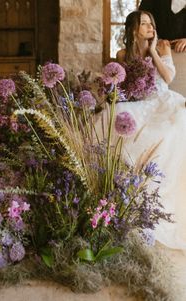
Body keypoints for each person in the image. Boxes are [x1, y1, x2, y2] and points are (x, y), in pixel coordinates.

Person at [114, 10, 186, 250]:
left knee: (173, 125)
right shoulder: (124, 54)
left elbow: (167, 78)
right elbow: (123, 85)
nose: (149, 27)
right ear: (134, 30)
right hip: (139, 102)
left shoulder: (163, 46)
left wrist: (154, 49)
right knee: (116, 117)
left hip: (163, 100)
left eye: (150, 23)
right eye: (143, 24)